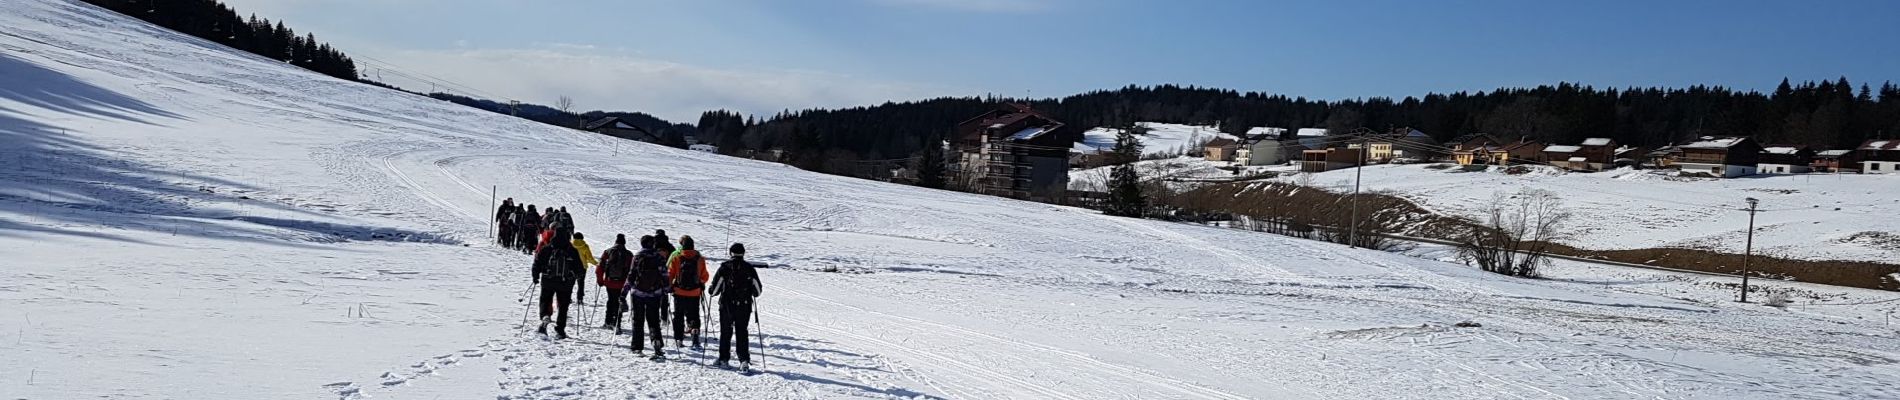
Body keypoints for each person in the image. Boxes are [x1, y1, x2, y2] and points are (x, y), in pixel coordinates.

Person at [708, 243, 762, 370]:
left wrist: (711, 290)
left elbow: (715, 291)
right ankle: (743, 360)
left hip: (727, 305)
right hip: (744, 306)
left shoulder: (724, 267)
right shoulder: (749, 268)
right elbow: (758, 291)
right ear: (743, 253)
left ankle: (723, 359)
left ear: (730, 253)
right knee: (742, 332)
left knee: (726, 332)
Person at [532, 230, 585, 339]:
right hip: (565, 283)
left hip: (548, 280)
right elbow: (580, 268)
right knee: (563, 306)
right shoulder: (572, 250)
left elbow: (537, 263)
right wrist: (578, 278)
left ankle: (545, 317)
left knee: (545, 300)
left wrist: (535, 276)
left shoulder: (547, 248)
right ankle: (560, 330)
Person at [628, 235, 672, 359]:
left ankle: (637, 347)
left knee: (638, 320)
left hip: (638, 293)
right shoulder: (659, 257)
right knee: (653, 320)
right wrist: (666, 289)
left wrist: (626, 290)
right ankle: (656, 341)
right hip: (655, 293)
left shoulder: (637, 256)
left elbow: (631, 274)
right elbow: (664, 274)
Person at [667, 235, 710, 349]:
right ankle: (694, 333)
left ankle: (678, 339)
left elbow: (670, 274)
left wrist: (670, 286)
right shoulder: (700, 259)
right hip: (695, 292)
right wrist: (700, 283)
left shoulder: (677, 258)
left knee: (679, 315)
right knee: (694, 314)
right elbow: (705, 276)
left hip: (679, 291)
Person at [595, 234, 634, 333]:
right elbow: (632, 270)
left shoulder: (608, 252)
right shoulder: (629, 254)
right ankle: (617, 323)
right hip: (623, 283)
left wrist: (600, 281)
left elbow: (600, 268)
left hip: (610, 281)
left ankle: (608, 321)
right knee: (619, 301)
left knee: (611, 300)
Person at [571, 232, 597, 306]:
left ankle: (568, 297)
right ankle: (580, 298)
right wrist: (596, 263)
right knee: (581, 283)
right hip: (582, 267)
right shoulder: (585, 246)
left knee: (570, 282)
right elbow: (589, 258)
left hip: (571, 267)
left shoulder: (570, 245)